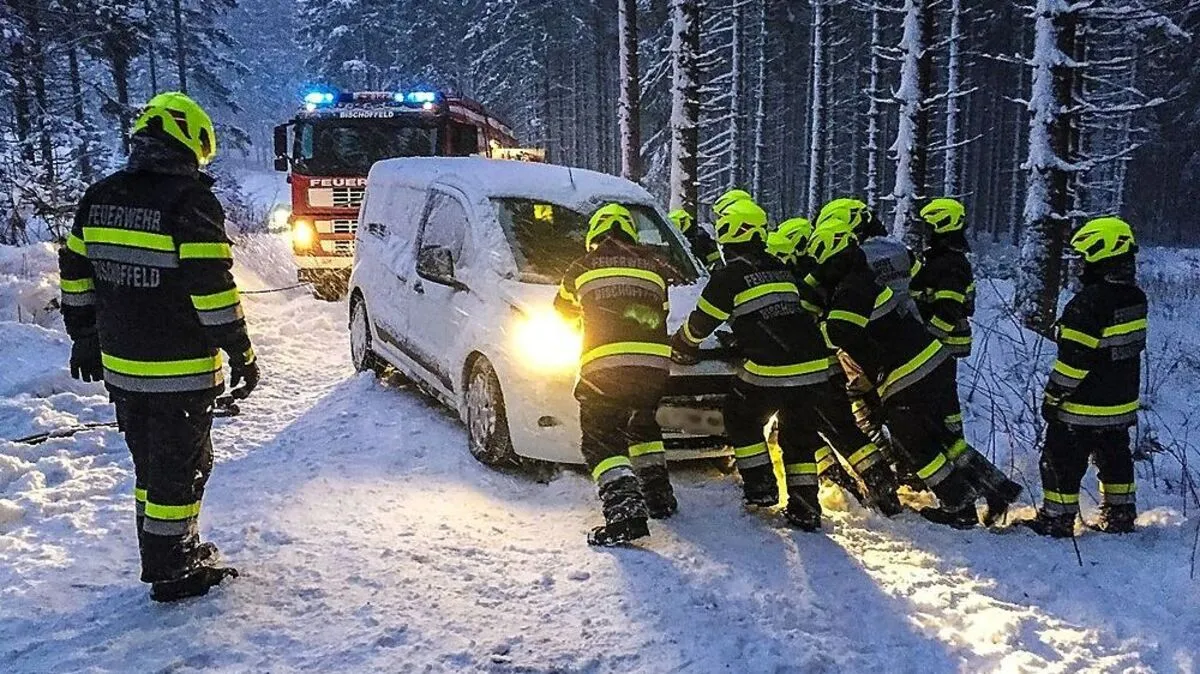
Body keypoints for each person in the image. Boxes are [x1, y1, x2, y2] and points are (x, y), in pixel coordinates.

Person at [58, 92, 256, 602]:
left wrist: (83, 337)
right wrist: (240, 352)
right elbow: (211, 288)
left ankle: (161, 551)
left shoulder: (99, 196)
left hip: (122, 369)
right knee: (182, 470)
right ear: (190, 143)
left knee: (150, 467)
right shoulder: (190, 204)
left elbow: (75, 272)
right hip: (180, 370)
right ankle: (174, 568)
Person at [672, 200, 901, 531]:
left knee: (740, 416)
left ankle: (762, 488)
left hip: (771, 368)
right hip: (813, 367)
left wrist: (682, 347)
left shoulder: (729, 275)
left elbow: (700, 323)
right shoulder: (779, 268)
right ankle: (805, 509)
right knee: (798, 435)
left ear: (727, 240)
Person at [805, 218, 981, 527]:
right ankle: (979, 493)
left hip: (911, 371)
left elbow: (839, 331)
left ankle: (959, 503)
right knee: (931, 434)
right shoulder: (863, 277)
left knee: (912, 438)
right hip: (928, 363)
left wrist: (801, 332)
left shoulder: (853, 287)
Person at [554, 203, 679, 547]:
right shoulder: (656, 267)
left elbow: (562, 311)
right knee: (643, 425)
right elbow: (659, 312)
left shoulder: (581, 266)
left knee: (600, 438)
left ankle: (625, 513)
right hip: (654, 368)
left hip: (605, 367)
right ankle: (659, 495)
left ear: (595, 234)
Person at [1021, 217, 1147, 538]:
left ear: (1099, 255)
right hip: (1120, 406)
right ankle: (1120, 514)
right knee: (1115, 459)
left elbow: (1073, 364)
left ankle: (1057, 519)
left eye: (1084, 257)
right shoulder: (1135, 298)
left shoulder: (1086, 305)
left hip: (1081, 408)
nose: (1079, 265)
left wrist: (1052, 398)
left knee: (1060, 460)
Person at [912, 198, 1022, 524]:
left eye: (929, 227)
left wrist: (923, 346)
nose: (925, 234)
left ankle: (967, 503)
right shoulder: (947, 261)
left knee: (934, 430)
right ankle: (994, 487)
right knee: (945, 431)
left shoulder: (948, 265)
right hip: (942, 358)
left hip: (936, 357)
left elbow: (947, 311)